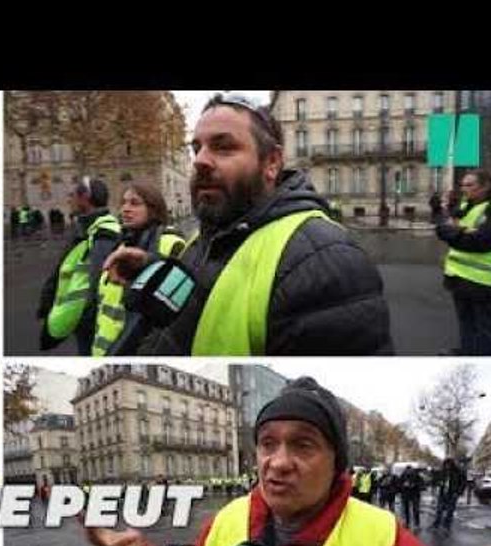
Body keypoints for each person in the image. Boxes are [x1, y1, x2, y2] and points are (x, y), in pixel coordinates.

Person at [85, 377, 491, 546]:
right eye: (268, 443)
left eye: (303, 444)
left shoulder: (389, 543)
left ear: (337, 462)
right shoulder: (226, 521)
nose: (278, 462)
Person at [101, 93, 392, 355]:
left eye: (223, 147)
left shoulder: (327, 258)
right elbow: (211, 289)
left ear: (272, 163)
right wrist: (151, 267)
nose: (200, 161)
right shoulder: (208, 235)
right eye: (196, 148)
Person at [95, 181, 188, 356]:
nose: (125, 209)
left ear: (153, 209)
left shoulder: (171, 244)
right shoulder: (120, 245)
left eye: (135, 203)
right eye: (123, 203)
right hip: (104, 350)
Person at [37, 177, 122, 355]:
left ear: (85, 198)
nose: (69, 200)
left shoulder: (103, 232)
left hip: (89, 324)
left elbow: (97, 282)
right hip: (83, 320)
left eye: (72, 195)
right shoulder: (88, 228)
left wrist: (84, 320)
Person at [431, 168, 491, 355]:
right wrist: (438, 210)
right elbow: (444, 223)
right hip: (460, 278)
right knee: (467, 323)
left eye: (470, 185)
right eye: (463, 185)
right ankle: (468, 352)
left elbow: (480, 242)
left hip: (485, 281)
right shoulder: (466, 205)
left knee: (488, 329)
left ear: (486, 186)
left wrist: (450, 232)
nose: (464, 189)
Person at [434, 458, 467, 530]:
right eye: (446, 465)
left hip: (452, 493)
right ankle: (437, 523)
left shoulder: (458, 472)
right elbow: (437, 479)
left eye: (448, 465)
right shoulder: (443, 472)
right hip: (443, 492)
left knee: (450, 510)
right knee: (439, 509)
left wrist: (458, 492)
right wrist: (439, 483)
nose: (447, 466)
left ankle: (447, 524)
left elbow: (463, 483)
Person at [399, 464, 423, 529]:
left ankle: (412, 523)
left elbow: (421, 484)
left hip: (411, 494)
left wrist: (413, 485)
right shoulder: (404, 475)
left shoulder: (404, 475)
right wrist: (404, 485)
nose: (409, 472)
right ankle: (413, 523)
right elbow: (399, 484)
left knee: (412, 510)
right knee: (412, 510)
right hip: (410, 494)